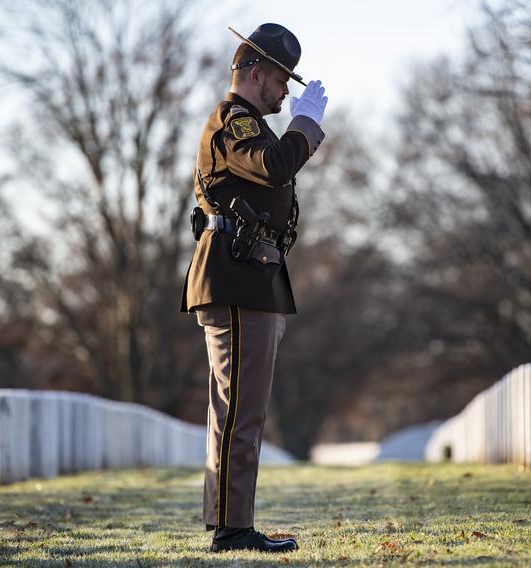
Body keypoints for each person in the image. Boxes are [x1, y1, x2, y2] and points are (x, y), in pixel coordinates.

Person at [179, 23, 328, 553]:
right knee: (240, 409)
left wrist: (298, 128)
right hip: (237, 276)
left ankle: (232, 522)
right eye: (282, 80)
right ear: (256, 72)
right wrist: (305, 126)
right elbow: (274, 167)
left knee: (242, 408)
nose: (286, 91)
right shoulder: (233, 122)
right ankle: (231, 529)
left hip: (252, 276)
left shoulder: (248, 123)